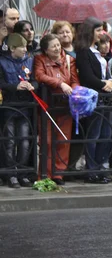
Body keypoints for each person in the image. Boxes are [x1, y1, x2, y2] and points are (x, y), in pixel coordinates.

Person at [33, 34, 80, 185]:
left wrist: (73, 91)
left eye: (58, 45)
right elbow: (39, 75)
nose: (57, 48)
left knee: (63, 140)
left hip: (65, 106)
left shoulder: (69, 59)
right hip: (47, 106)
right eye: (53, 46)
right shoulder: (40, 59)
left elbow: (74, 80)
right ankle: (45, 173)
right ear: (45, 49)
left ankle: (58, 173)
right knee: (47, 140)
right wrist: (59, 83)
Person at [74, 17, 112, 184]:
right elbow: (87, 77)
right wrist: (104, 84)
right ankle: (91, 170)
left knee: (106, 134)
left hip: (103, 98)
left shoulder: (97, 51)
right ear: (90, 31)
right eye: (98, 30)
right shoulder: (84, 51)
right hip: (93, 98)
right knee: (94, 134)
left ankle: (99, 167)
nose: (101, 33)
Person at [0, 33, 37, 188]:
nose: (24, 49)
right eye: (21, 47)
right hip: (8, 106)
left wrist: (32, 85)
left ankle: (22, 173)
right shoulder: (2, 62)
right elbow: (1, 82)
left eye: (25, 46)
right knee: (9, 141)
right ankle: (10, 174)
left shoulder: (30, 60)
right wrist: (15, 86)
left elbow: (35, 79)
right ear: (12, 48)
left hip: (25, 107)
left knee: (24, 141)